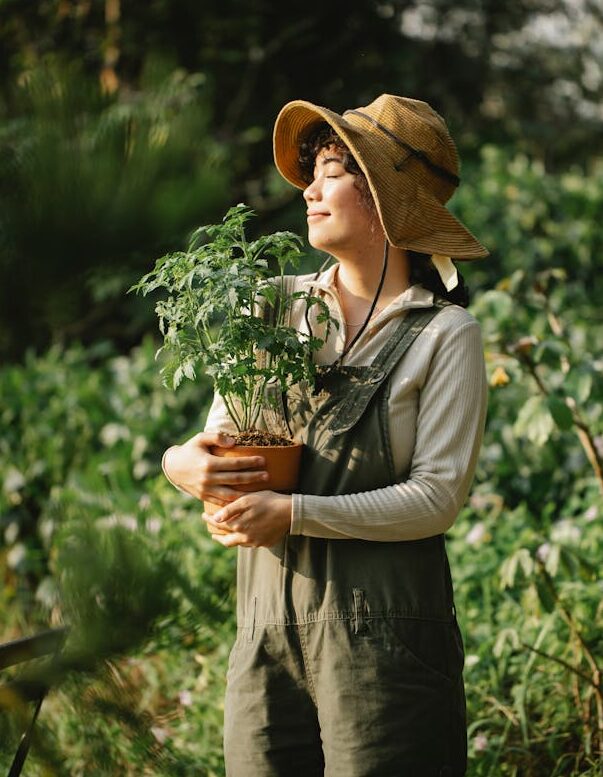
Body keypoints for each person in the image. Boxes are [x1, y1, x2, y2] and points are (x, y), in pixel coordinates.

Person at [163, 94, 489, 777]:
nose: (308, 188)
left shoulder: (442, 334)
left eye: (332, 169)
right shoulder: (273, 307)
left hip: (387, 648)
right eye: (314, 169)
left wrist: (296, 513)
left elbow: (436, 498)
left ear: (384, 195)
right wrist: (181, 464)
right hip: (263, 636)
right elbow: (217, 437)